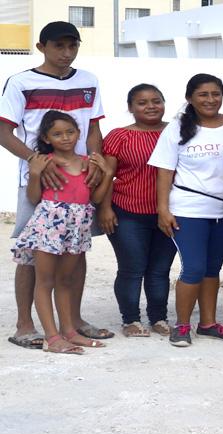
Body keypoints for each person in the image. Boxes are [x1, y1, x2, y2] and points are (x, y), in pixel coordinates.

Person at [1, 21, 111, 349]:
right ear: (41, 47)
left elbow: (93, 127)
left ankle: (73, 321)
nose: (66, 53)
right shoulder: (21, 82)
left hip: (80, 183)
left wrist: (94, 161)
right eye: (58, 46)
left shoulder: (88, 80)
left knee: (75, 252)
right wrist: (38, 163)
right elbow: (4, 131)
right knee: (31, 256)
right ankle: (24, 325)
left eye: (72, 46)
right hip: (39, 184)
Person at [149, 73, 223, 348]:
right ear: (190, 98)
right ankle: (181, 326)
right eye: (203, 94)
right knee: (193, 268)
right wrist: (163, 209)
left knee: (212, 270)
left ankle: (208, 324)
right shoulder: (178, 127)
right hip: (188, 209)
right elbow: (164, 171)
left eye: (216, 94)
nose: (210, 99)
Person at [12, 111, 113, 354]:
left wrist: (107, 174)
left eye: (70, 132)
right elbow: (34, 198)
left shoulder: (88, 163)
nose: (65, 137)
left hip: (77, 226)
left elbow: (95, 198)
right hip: (49, 224)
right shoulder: (44, 163)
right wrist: (35, 173)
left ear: (79, 133)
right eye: (57, 134)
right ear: (46, 138)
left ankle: (69, 331)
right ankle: (52, 337)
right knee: (45, 281)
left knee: (65, 280)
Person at [98, 84, 177, 338]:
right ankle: (130, 319)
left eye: (156, 100)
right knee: (132, 268)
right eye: (142, 102)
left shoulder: (177, 132)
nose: (150, 106)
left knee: (160, 269)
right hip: (127, 212)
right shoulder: (119, 136)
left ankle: (159, 318)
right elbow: (108, 176)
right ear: (130, 108)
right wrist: (105, 208)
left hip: (169, 214)